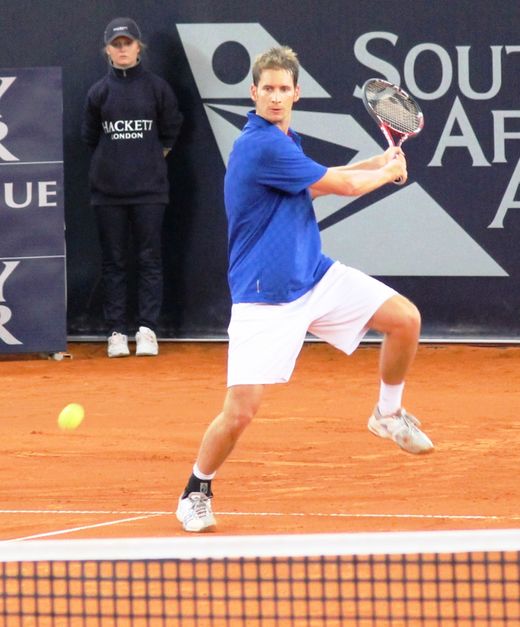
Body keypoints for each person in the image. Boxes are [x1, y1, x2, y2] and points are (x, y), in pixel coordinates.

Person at [176, 46, 433, 533]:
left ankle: (388, 412)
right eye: (266, 89)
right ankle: (196, 489)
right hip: (264, 296)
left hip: (312, 275)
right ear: (254, 94)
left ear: (297, 93)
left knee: (405, 319)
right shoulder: (260, 144)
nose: (275, 97)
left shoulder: (284, 139)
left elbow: (312, 186)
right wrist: (386, 173)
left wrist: (378, 159)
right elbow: (341, 186)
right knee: (239, 414)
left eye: (283, 89)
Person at [82, 17, 183, 358]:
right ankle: (116, 333)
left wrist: (152, 157)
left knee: (149, 259)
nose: (122, 49)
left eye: (127, 43)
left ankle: (147, 331)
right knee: (113, 262)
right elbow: (89, 136)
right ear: (107, 50)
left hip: (149, 192)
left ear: (139, 47)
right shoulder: (99, 92)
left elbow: (171, 129)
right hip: (107, 193)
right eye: (116, 44)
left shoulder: (157, 88)